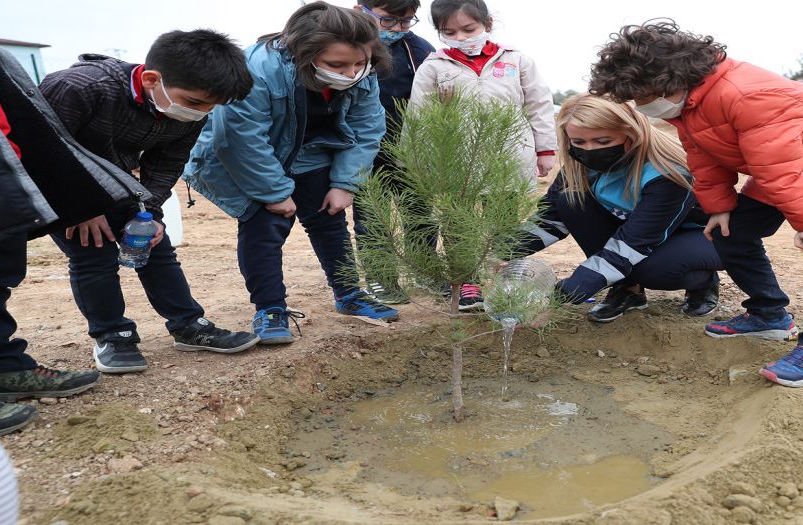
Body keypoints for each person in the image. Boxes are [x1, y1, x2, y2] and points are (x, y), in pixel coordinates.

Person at [589, 21, 803, 387]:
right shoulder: (690, 102)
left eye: (644, 95)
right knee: (730, 232)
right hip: (783, 165)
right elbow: (703, 155)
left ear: (672, 75)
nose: (642, 105)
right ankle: (768, 313)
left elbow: (777, 168)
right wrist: (720, 205)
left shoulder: (746, 94)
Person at [38, 30, 261, 375]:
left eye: (211, 106)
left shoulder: (187, 111)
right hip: (62, 184)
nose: (201, 112)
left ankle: (188, 325)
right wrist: (79, 207)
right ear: (152, 79)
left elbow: (166, 164)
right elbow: (44, 152)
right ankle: (114, 335)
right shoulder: (79, 88)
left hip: (119, 180)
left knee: (155, 245)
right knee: (93, 254)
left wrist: (150, 212)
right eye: (195, 102)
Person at [183, 2, 399, 345]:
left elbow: (367, 127)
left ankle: (348, 295)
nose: (351, 73)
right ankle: (270, 309)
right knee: (263, 229)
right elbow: (240, 138)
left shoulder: (364, 70)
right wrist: (273, 192)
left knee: (330, 222)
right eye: (337, 65)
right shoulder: (257, 68)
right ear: (305, 52)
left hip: (313, 154)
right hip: (254, 159)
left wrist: (345, 183)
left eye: (359, 63)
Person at [0, 45, 148, 434]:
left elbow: (32, 126)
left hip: (6, 173)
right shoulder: (79, 88)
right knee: (89, 255)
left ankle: (4, 367)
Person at [514, 94, 720, 322]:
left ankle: (704, 281)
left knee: (652, 270)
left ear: (631, 133)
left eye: (602, 142)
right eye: (579, 142)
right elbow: (549, 220)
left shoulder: (667, 173)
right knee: (569, 201)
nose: (590, 150)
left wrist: (563, 296)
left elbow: (633, 243)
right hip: (638, 232)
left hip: (699, 234)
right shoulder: (579, 167)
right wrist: (494, 253)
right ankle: (628, 291)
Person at [410, 0, 558, 311]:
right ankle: (467, 282)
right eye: (449, 32)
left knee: (503, 222)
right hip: (455, 161)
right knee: (456, 223)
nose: (460, 37)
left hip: (508, 157)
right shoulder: (434, 66)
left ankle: (503, 280)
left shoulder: (516, 61)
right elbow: (419, 117)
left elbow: (539, 105)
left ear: (487, 24)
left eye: (469, 29)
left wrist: (545, 150)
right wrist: (422, 162)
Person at [351, 0, 436, 304]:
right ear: (362, 11)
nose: (397, 29)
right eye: (388, 21)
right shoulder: (344, 44)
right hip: (359, 150)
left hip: (408, 150)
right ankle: (381, 278)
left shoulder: (421, 51)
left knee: (420, 214)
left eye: (406, 21)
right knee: (372, 215)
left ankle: (426, 271)